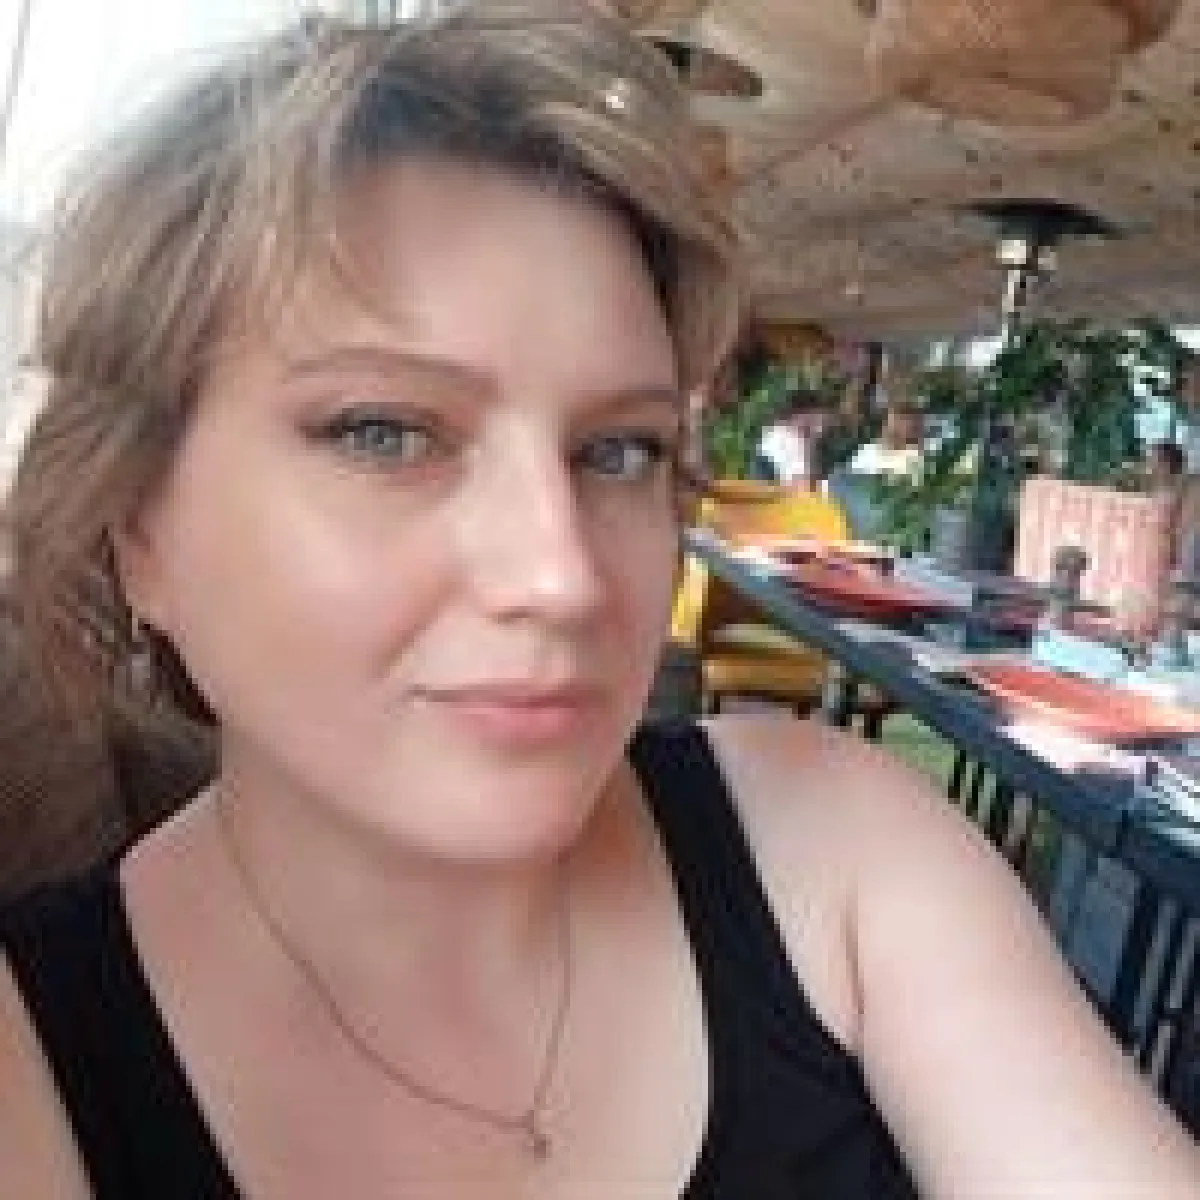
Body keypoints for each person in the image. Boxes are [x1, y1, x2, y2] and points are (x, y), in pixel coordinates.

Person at [1, 5, 1196, 1197]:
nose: (561, 575)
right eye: (384, 432)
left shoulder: (831, 846)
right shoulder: (30, 1066)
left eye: (619, 451)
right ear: (136, 522)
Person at [847, 400, 925, 477]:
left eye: (915, 418)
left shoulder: (924, 455)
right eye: (903, 417)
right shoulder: (867, 455)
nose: (911, 423)